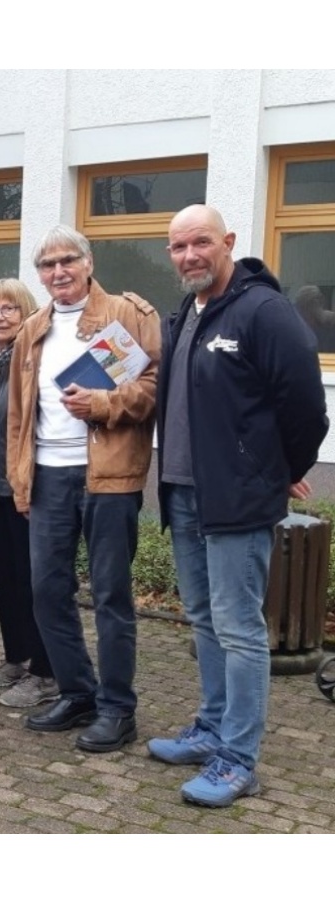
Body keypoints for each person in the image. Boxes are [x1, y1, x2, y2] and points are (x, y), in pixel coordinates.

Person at [150, 204, 328, 806]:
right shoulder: (188, 311)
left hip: (235, 501)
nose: (189, 255)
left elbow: (307, 408)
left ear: (227, 241)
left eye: (200, 242)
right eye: (178, 247)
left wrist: (280, 471)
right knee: (203, 620)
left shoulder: (263, 311)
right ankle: (211, 727)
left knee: (239, 628)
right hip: (182, 492)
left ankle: (239, 758)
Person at [7, 225, 160, 752]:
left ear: (89, 262)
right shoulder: (33, 328)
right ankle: (78, 692)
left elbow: (153, 387)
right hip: (48, 476)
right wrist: (19, 478)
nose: (58, 272)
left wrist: (102, 404)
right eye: (47, 265)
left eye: (67, 261)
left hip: (109, 477)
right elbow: (17, 415)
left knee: (112, 594)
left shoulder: (127, 314)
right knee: (47, 592)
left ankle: (119, 708)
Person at [0, 279, 57, 708]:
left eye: (8, 309)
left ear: (27, 313)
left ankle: (46, 671)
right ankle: (15, 657)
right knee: (2, 576)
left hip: (24, 489)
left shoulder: (34, 358)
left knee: (32, 580)